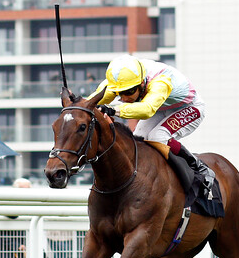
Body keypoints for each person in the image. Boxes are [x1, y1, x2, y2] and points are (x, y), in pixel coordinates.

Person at [89, 54, 215, 197]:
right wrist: (77, 104)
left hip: (189, 107)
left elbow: (147, 109)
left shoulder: (161, 81)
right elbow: (96, 97)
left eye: (128, 92)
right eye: (119, 93)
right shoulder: (125, 78)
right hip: (162, 107)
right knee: (138, 139)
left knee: (158, 136)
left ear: (142, 83)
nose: (124, 99)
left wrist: (113, 110)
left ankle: (198, 167)